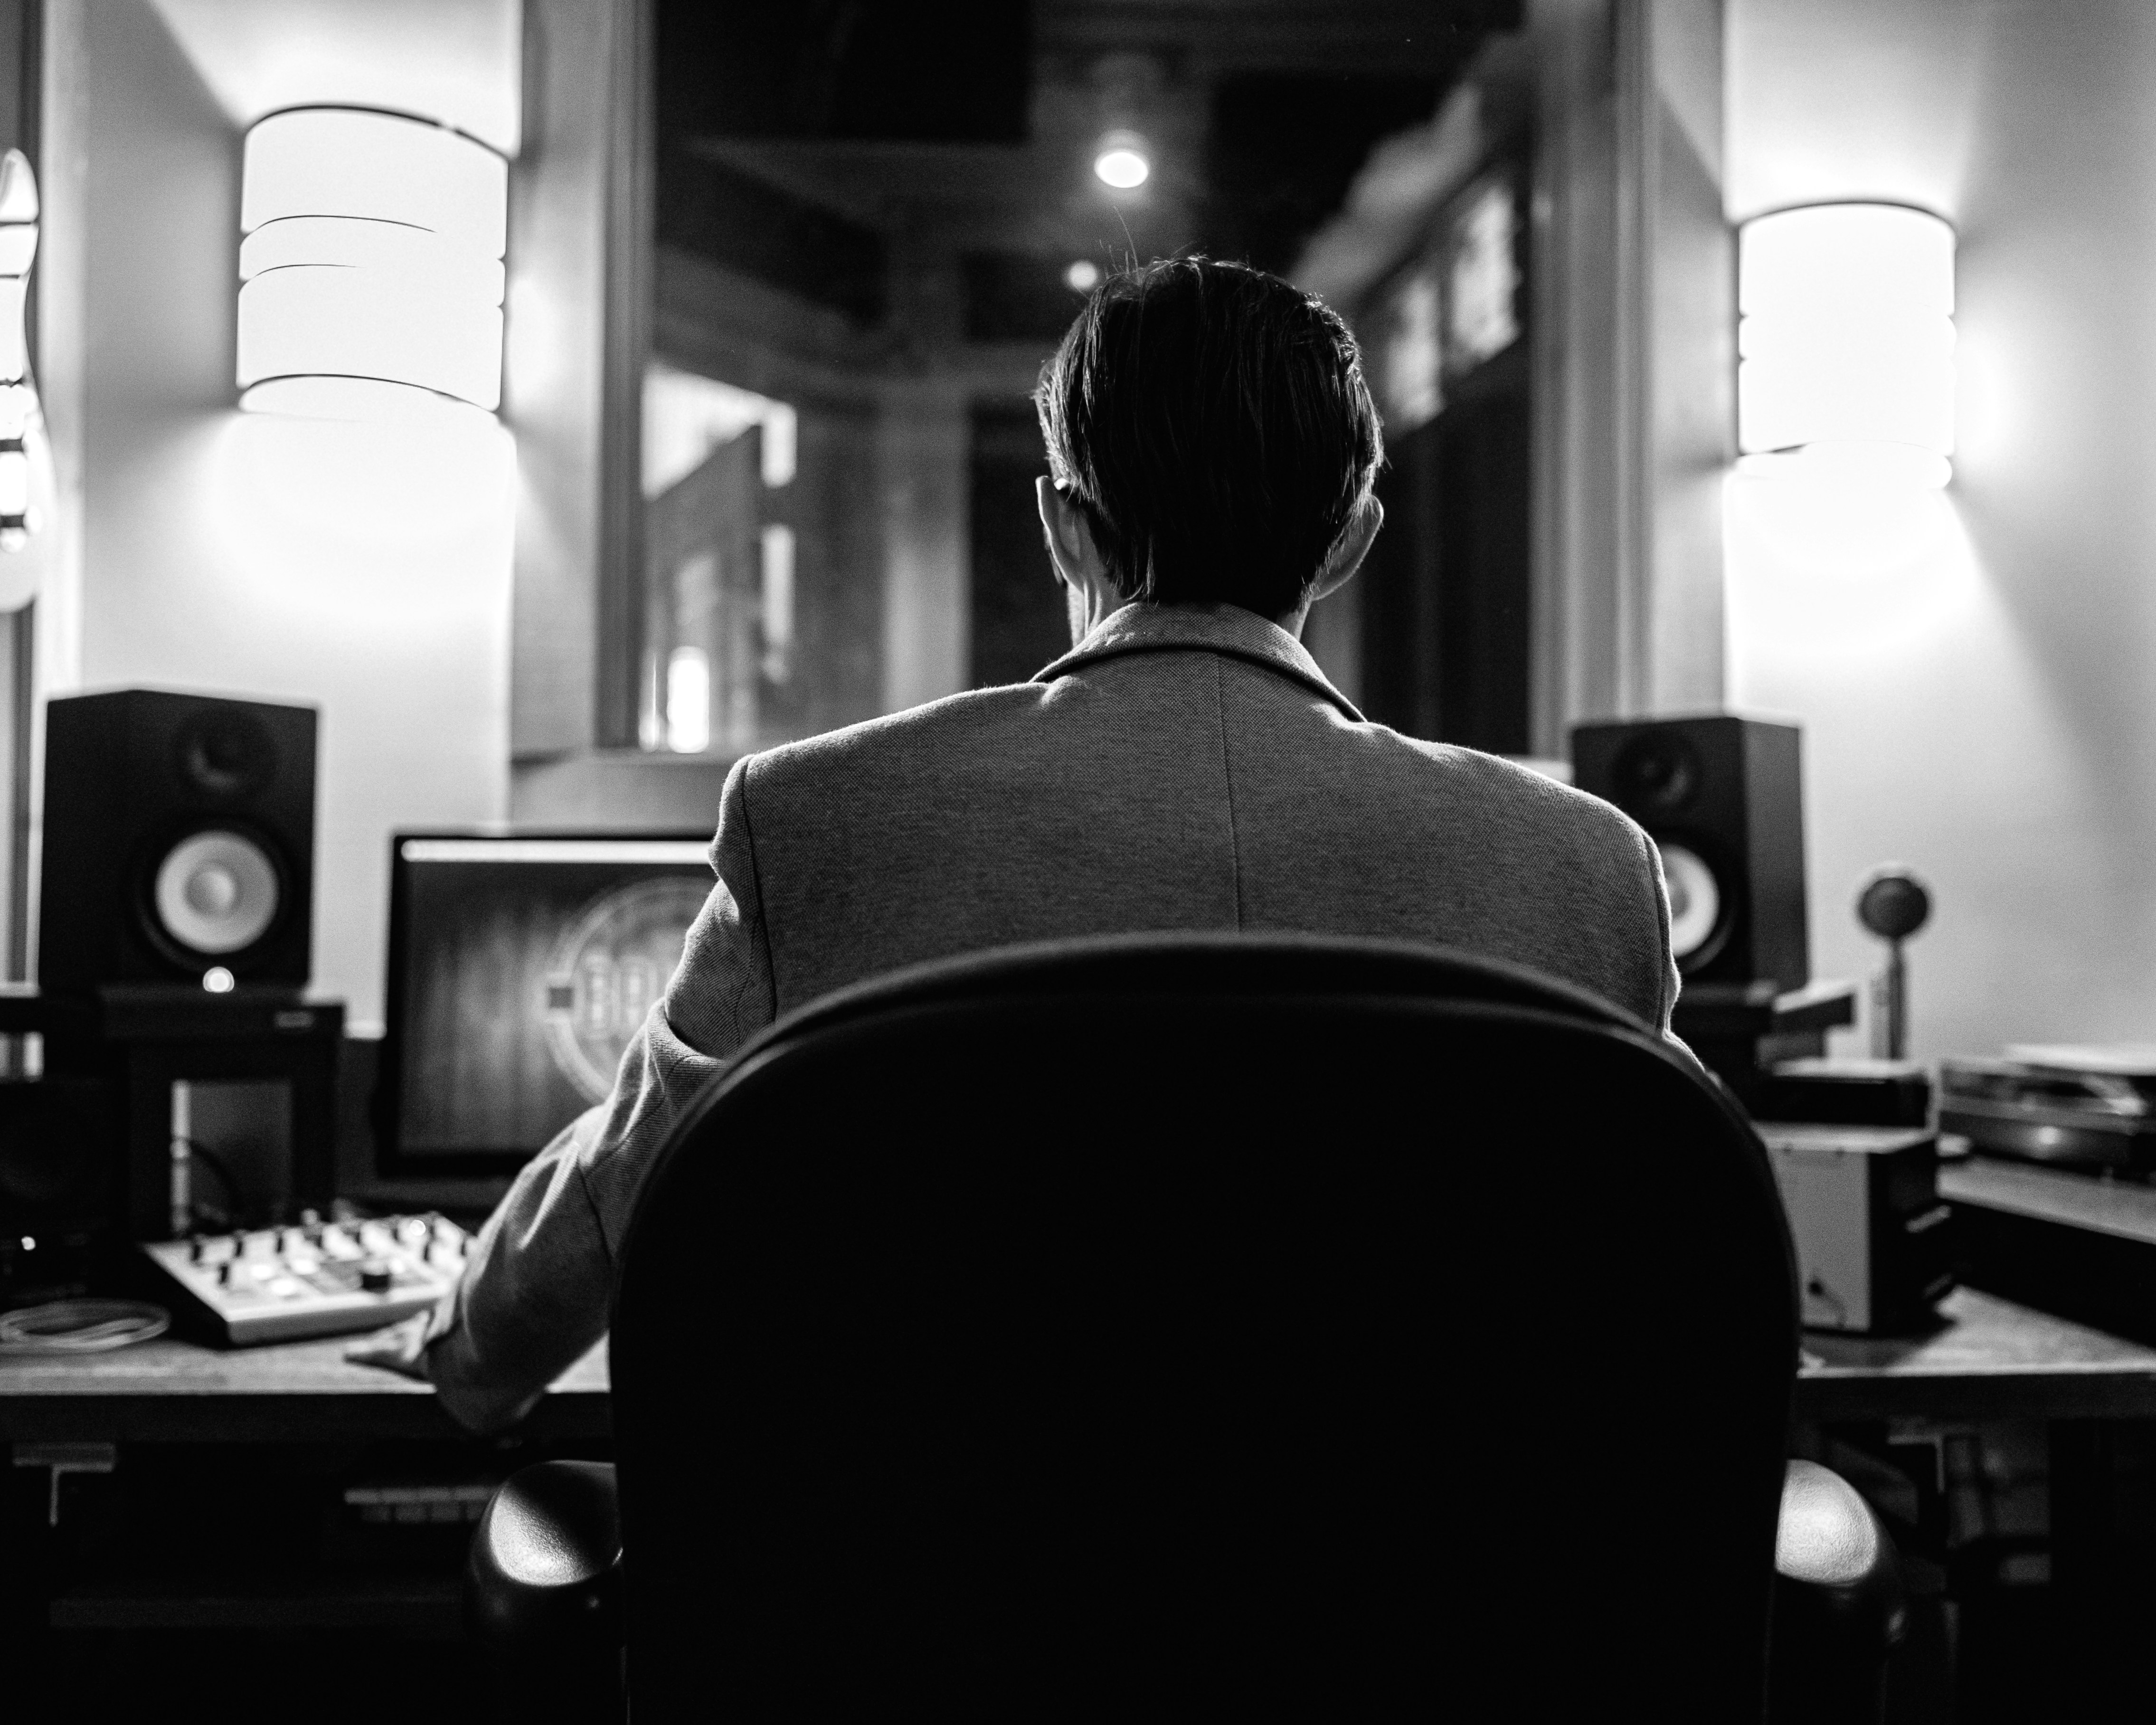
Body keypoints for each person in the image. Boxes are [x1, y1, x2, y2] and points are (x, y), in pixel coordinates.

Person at [350, 257, 1681, 1432]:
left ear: (1059, 524)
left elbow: (623, 1198)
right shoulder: (1586, 869)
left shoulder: (821, 822)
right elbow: (1686, 1262)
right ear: (1347, 545)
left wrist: (465, 1360)